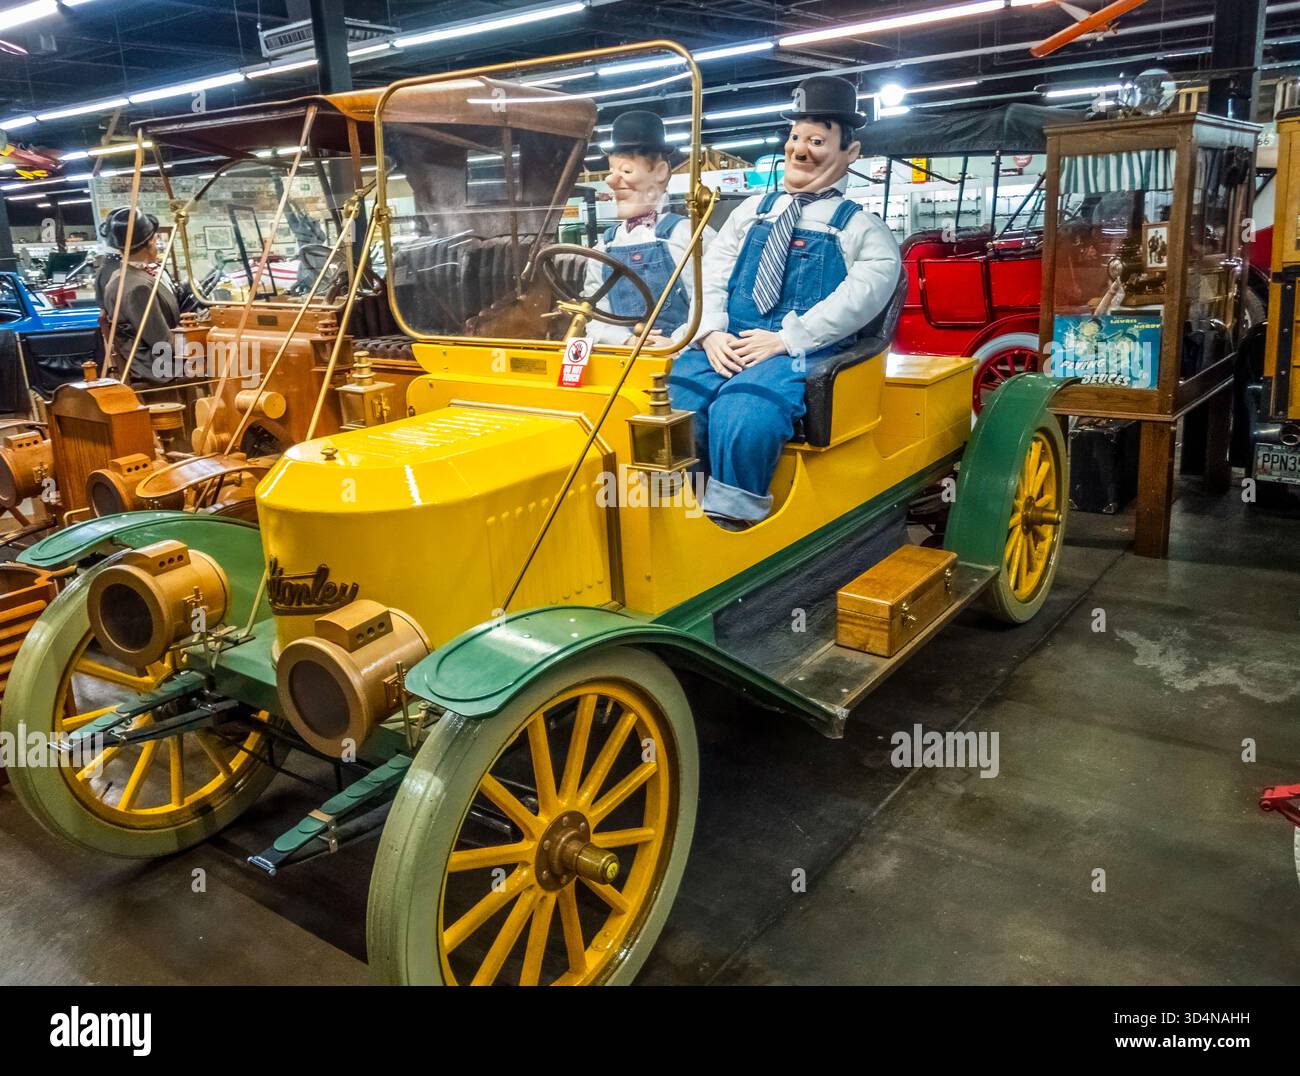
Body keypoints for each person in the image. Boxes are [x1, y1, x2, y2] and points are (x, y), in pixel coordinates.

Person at [667, 76, 903, 528]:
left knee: (746, 414)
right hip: (729, 341)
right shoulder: (751, 211)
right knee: (675, 402)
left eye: (816, 140)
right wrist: (710, 330)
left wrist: (786, 339)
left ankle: (733, 521)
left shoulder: (860, 228)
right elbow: (712, 272)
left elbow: (863, 296)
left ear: (850, 154)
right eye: (795, 137)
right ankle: (676, 511)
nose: (799, 149)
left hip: (799, 351)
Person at [583, 110, 712, 348]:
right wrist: (626, 339)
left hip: (681, 357)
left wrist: (676, 342)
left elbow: (711, 302)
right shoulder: (606, 246)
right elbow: (594, 313)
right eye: (612, 171)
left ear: (660, 173)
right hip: (625, 359)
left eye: (626, 171)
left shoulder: (687, 236)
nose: (611, 181)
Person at [94, 206, 182, 384]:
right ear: (149, 243)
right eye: (155, 239)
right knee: (230, 362)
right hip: (158, 370)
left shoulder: (121, 276)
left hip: (152, 364)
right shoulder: (137, 287)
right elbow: (163, 344)